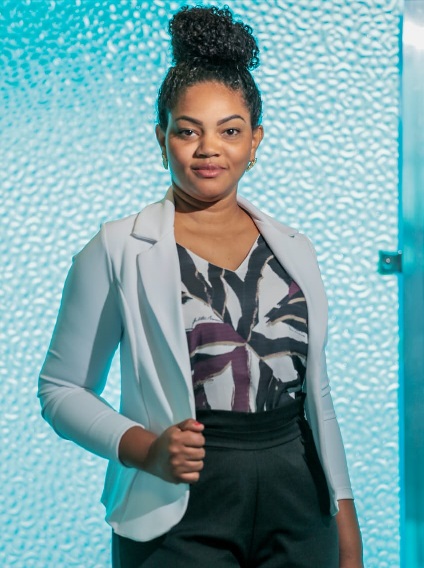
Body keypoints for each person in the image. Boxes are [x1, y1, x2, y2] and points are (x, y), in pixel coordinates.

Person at [38, 5, 363, 567]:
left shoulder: (295, 250)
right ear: (161, 137)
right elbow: (60, 390)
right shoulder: (117, 248)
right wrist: (147, 451)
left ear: (255, 141)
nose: (208, 148)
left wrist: (346, 528)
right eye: (188, 130)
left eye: (230, 131)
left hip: (299, 498)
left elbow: (319, 398)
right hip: (176, 507)